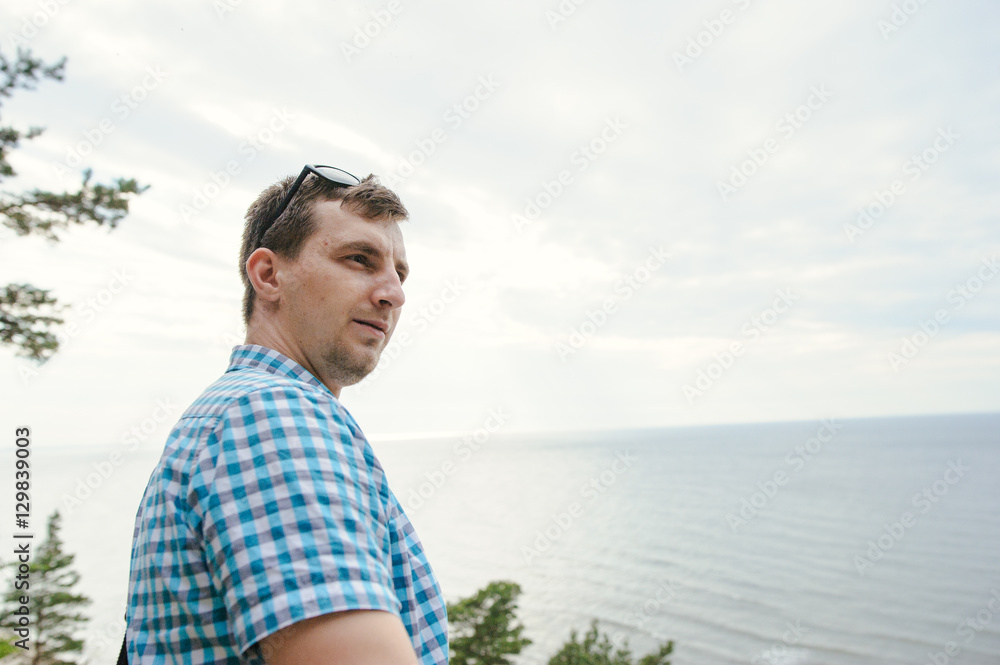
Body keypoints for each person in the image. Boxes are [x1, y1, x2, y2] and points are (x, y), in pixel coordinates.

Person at [124, 165, 448, 665]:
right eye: (359, 259)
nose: (394, 294)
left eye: (399, 274)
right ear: (269, 275)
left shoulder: (235, 413)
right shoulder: (271, 416)